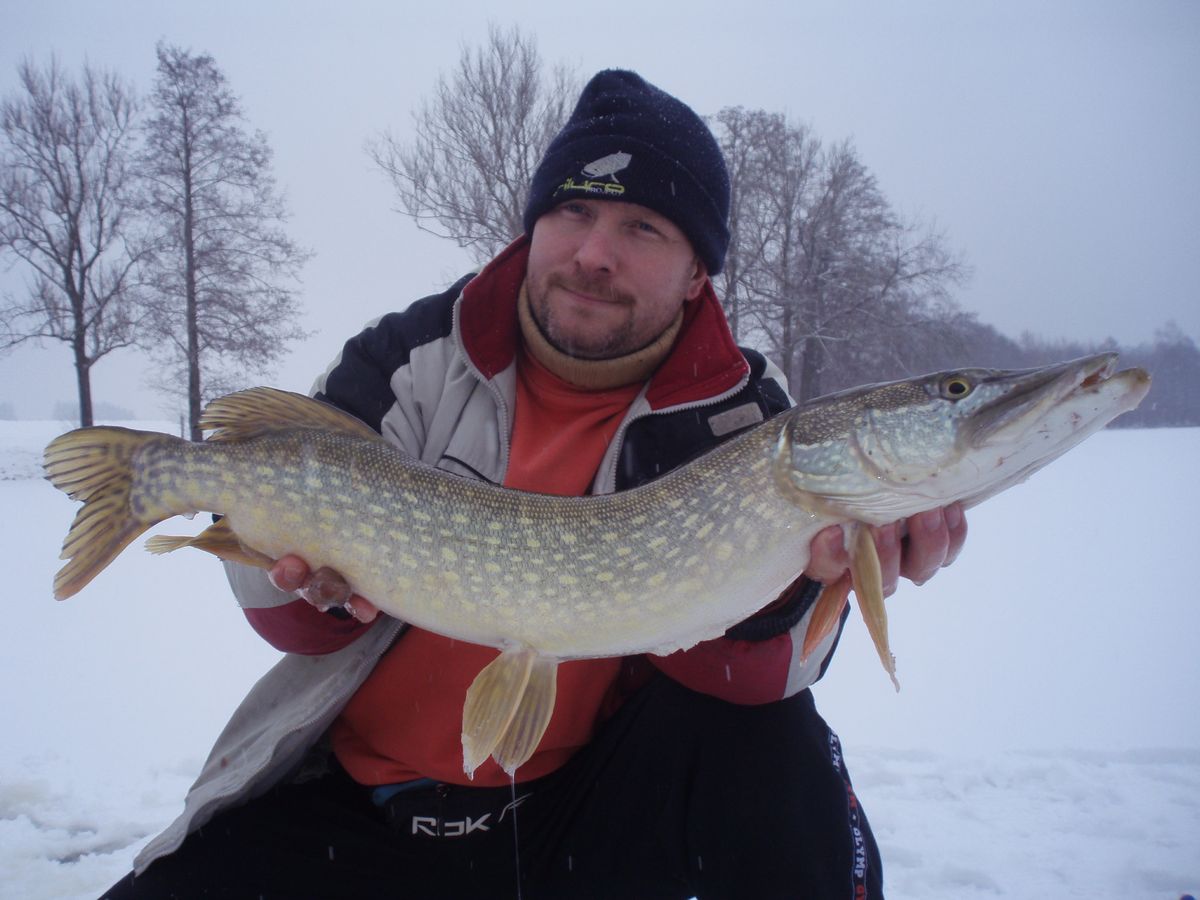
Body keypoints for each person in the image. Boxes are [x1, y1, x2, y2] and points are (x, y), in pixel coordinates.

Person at [104, 69, 966, 900]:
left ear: (698, 272)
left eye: (643, 229)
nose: (594, 253)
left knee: (779, 744)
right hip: (351, 808)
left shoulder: (743, 421)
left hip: (586, 816)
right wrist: (302, 574)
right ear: (534, 226)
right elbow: (282, 618)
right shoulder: (407, 357)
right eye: (574, 210)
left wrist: (792, 588)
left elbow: (768, 680)